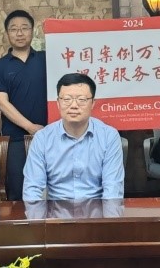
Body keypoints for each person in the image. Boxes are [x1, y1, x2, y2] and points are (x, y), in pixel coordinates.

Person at [23, 73, 124, 203]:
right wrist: (37, 215)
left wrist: (107, 217)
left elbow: (113, 189)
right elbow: (32, 189)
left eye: (82, 99)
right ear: (58, 103)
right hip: (56, 210)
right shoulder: (42, 138)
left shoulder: (109, 136)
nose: (74, 105)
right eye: (67, 99)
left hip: (97, 210)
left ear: (92, 103)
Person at [0, 10, 48, 201]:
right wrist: (30, 127)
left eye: (24, 28)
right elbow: (2, 103)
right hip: (15, 140)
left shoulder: (47, 59)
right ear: (7, 33)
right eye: (14, 29)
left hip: (49, 136)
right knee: (18, 192)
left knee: (50, 190)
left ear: (33, 31)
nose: (20, 33)